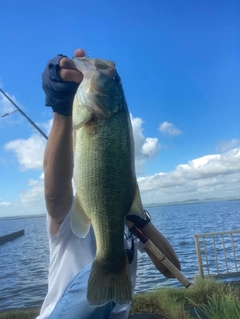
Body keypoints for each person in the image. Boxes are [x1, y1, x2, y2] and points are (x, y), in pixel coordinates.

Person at [37, 48, 181, 319]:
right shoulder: (68, 214)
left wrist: (137, 219)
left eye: (114, 81)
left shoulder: (126, 226)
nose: (110, 74)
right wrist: (61, 111)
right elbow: (55, 195)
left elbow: (173, 267)